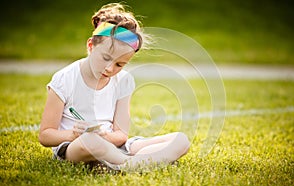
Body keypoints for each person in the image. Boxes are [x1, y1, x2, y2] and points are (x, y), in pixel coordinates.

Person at [39, 3, 190, 171]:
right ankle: (138, 163)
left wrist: (106, 136)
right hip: (75, 147)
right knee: (91, 141)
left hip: (113, 146)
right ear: (91, 46)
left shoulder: (123, 81)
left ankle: (121, 163)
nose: (110, 69)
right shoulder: (65, 79)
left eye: (119, 64)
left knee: (181, 140)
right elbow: (45, 135)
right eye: (105, 58)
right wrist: (73, 134)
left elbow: (121, 135)